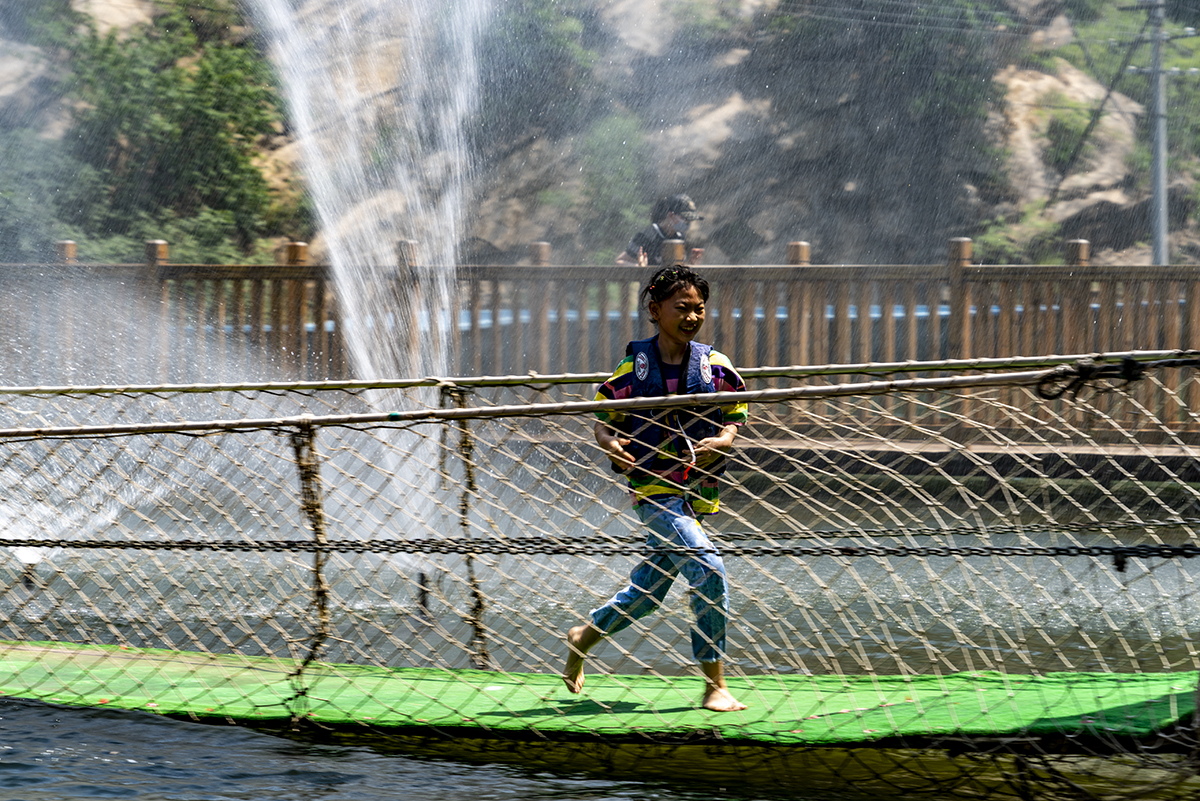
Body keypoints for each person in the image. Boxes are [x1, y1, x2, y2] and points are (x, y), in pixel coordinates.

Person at [563, 263, 748, 712]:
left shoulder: (715, 366)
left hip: (697, 493)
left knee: (648, 593)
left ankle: (584, 636)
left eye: (699, 309)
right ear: (655, 309)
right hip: (654, 493)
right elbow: (603, 421)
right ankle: (715, 685)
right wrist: (612, 445)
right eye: (681, 308)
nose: (692, 317)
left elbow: (735, 416)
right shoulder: (633, 369)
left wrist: (722, 440)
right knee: (708, 570)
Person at [615, 194, 705, 266]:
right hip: (651, 287)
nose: (688, 223)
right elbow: (619, 261)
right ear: (671, 215)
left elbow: (676, 271)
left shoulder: (680, 238)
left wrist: (692, 264)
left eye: (690, 220)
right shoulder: (647, 236)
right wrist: (639, 268)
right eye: (685, 218)